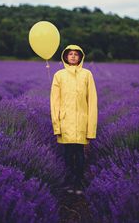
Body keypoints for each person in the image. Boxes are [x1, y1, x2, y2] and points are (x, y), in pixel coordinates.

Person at [50, 44, 98, 195]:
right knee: (67, 155)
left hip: (82, 122)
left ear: (80, 57)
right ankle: (69, 183)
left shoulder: (87, 74)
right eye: (70, 54)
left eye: (76, 54)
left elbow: (93, 102)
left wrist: (91, 129)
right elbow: (54, 102)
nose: (72, 56)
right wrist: (56, 126)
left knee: (80, 155)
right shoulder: (59, 75)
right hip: (65, 123)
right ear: (65, 56)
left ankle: (79, 183)